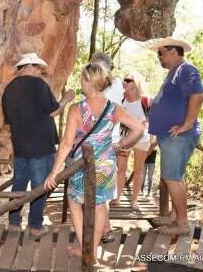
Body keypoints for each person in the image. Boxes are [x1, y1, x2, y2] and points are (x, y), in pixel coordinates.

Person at [44, 62, 144, 257]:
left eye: (82, 78)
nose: (81, 81)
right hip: (106, 164)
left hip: (82, 165)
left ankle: (85, 248)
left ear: (89, 82)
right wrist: (121, 144)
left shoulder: (76, 109)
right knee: (100, 206)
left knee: (74, 202)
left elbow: (66, 145)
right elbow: (139, 129)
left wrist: (54, 172)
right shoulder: (113, 108)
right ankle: (92, 249)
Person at [2, 53, 75, 238]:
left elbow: (9, 123)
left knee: (18, 185)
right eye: (38, 68)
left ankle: (14, 223)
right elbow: (53, 112)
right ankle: (35, 226)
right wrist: (66, 98)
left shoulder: (8, 89)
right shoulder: (39, 85)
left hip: (20, 146)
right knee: (39, 186)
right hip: (41, 146)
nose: (40, 72)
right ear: (30, 66)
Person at [148, 37, 203, 235]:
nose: (159, 58)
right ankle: (174, 216)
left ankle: (182, 224)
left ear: (173, 51)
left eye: (161, 53)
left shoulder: (186, 69)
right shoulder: (174, 73)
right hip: (170, 136)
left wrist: (186, 124)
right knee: (175, 177)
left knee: (171, 178)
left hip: (179, 136)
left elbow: (198, 95)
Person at [89, 52, 124, 243]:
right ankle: (105, 229)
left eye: (93, 67)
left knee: (97, 192)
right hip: (109, 143)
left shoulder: (108, 88)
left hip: (100, 144)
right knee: (100, 191)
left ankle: (102, 232)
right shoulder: (115, 86)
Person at [116, 71, 152, 209]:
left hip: (142, 138)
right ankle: (117, 197)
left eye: (128, 80)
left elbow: (150, 121)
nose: (125, 82)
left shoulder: (145, 100)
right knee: (121, 169)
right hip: (124, 137)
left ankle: (134, 200)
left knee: (138, 169)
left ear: (136, 83)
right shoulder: (121, 99)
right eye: (124, 80)